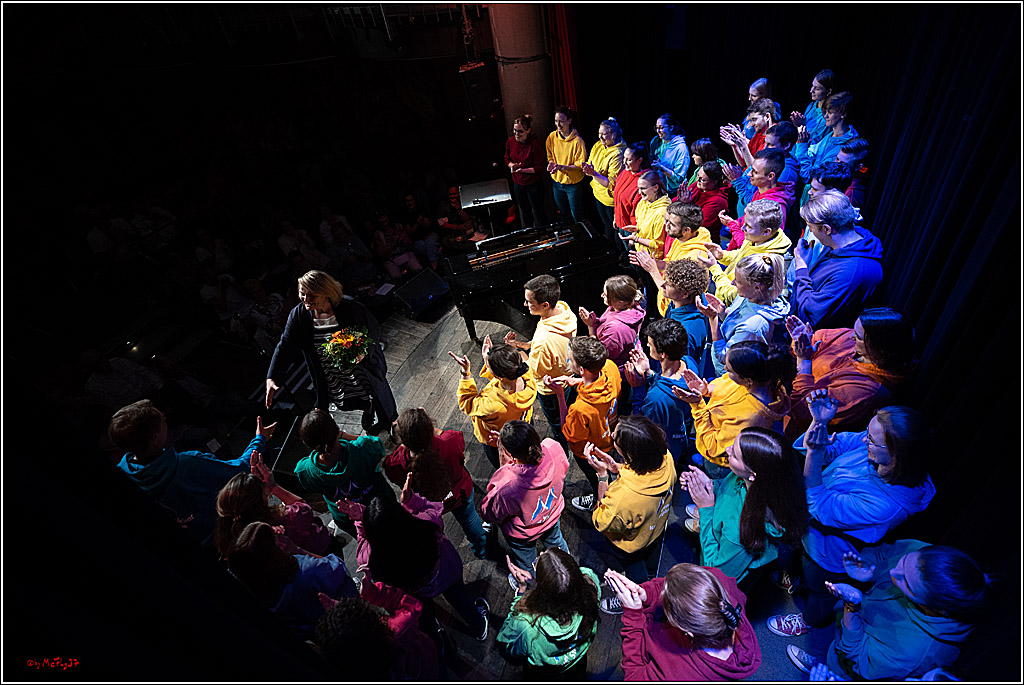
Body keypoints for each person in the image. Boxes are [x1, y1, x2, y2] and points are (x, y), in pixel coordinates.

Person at [767, 398, 936, 637]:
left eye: (872, 440)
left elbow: (819, 504)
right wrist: (819, 424)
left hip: (829, 553)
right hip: (812, 533)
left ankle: (810, 620)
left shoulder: (886, 505)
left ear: (897, 455)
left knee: (820, 590)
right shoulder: (875, 445)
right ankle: (799, 581)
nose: (865, 438)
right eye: (868, 431)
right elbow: (839, 445)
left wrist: (815, 454)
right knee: (803, 563)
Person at [785, 542, 990, 680]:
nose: (893, 572)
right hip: (849, 625)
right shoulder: (923, 555)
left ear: (935, 609)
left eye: (907, 584)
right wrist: (869, 569)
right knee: (828, 642)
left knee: (835, 665)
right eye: (905, 562)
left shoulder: (914, 651)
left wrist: (852, 607)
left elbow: (855, 654)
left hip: (853, 660)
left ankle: (823, 667)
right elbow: (884, 552)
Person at [109, 400, 274, 547]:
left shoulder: (122, 477)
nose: (166, 420)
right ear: (155, 437)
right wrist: (260, 439)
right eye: (163, 420)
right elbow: (240, 469)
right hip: (231, 536)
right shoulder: (186, 464)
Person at [345, 482, 489, 641]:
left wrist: (361, 521)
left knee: (425, 618)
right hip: (448, 572)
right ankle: (479, 627)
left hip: (417, 590)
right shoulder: (426, 522)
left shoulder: (373, 558)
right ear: (400, 513)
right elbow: (434, 507)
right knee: (461, 598)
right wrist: (411, 501)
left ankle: (438, 639)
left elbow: (363, 545)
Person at [266, 270, 398, 434]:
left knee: (377, 392)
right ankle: (368, 409)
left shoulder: (349, 306)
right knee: (350, 397)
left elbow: (373, 329)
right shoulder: (299, 315)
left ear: (326, 293)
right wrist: (272, 376)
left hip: (361, 365)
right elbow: (285, 345)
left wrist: (364, 352)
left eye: (312, 296)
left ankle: (391, 423)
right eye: (302, 294)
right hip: (332, 371)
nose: (306, 300)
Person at [678, 427, 808, 588]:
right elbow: (729, 488)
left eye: (734, 454)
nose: (727, 449)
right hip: (722, 526)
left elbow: (715, 572)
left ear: (753, 474)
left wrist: (705, 508)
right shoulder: (762, 481)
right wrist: (710, 486)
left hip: (726, 579)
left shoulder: (740, 532)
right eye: (733, 444)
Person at [609, 563, 762, 680]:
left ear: (685, 630)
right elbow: (674, 586)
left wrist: (633, 616)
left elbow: (635, 676)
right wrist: (646, 594)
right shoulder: (719, 583)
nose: (661, 593)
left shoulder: (678, 674)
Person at [783, 307, 918, 441]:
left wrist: (804, 361)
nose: (852, 335)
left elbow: (802, 410)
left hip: (792, 431)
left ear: (881, 349)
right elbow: (812, 342)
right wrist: (801, 340)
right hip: (784, 389)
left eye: (859, 337)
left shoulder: (868, 392)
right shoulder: (851, 340)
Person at [675, 341, 794, 482]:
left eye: (729, 370)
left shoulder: (751, 418)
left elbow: (714, 448)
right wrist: (706, 390)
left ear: (748, 380)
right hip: (712, 434)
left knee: (714, 479)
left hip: (720, 462)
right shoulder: (760, 380)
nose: (724, 368)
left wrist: (697, 404)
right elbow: (724, 382)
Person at [383, 407, 488, 559]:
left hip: (428, 505)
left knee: (436, 530)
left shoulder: (395, 464)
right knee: (470, 519)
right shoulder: (450, 441)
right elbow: (458, 442)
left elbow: (393, 475)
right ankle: (481, 551)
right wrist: (431, 429)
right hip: (459, 493)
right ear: (430, 428)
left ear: (402, 440)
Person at [586, 415, 676, 590]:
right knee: (650, 556)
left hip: (630, 544)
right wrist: (616, 467)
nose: (611, 436)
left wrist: (603, 477)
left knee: (634, 566)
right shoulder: (666, 458)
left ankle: (639, 591)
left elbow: (601, 520)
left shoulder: (623, 499)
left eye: (615, 439)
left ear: (629, 454)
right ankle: (652, 575)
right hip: (654, 529)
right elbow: (641, 473)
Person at [226, 521, 357, 638]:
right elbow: (337, 566)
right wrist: (296, 549)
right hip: (347, 614)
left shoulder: (249, 590)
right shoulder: (307, 570)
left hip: (318, 632)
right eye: (276, 540)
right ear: (274, 551)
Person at [480, 421, 570, 585]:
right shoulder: (553, 446)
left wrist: (503, 458)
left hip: (524, 533)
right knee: (557, 543)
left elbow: (489, 512)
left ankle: (530, 584)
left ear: (510, 454)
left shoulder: (507, 484)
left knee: (526, 560)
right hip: (552, 515)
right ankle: (568, 571)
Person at [498, 547, 600, 678]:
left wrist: (522, 591)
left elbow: (508, 644)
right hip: (577, 660)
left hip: (544, 673)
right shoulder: (591, 583)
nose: (540, 553)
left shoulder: (526, 626)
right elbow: (564, 590)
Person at [544, 336, 621, 508]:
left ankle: (598, 501)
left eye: (569, 359)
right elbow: (597, 378)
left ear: (580, 368)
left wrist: (559, 395)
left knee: (597, 477)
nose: (567, 361)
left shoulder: (580, 408)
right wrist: (579, 381)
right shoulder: (609, 366)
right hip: (609, 435)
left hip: (589, 450)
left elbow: (569, 432)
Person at [504, 274, 578, 454]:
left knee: (558, 424)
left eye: (530, 302)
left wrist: (519, 353)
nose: (525, 305)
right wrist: (522, 344)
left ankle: (564, 451)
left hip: (551, 390)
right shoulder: (563, 309)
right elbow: (540, 340)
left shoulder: (544, 343)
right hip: (567, 376)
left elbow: (535, 372)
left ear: (545, 305)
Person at [314, 578, 441, 681]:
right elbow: (410, 606)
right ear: (367, 618)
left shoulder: (357, 674)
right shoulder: (399, 630)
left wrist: (337, 620)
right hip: (428, 664)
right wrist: (373, 592)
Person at [791, 189, 883, 330]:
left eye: (811, 227)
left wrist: (801, 267)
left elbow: (811, 319)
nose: (812, 233)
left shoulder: (850, 274)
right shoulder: (841, 243)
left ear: (827, 229)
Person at [214, 450, 330, 559]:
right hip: (321, 551)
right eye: (265, 495)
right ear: (260, 504)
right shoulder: (289, 520)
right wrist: (273, 486)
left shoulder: (239, 542)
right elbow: (302, 506)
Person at [294, 408, 391, 537]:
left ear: (306, 443)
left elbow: (309, 485)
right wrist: (343, 435)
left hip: (348, 518)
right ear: (337, 429)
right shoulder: (362, 448)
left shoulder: (305, 470)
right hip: (381, 504)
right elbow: (378, 445)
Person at [696, 253, 789, 377]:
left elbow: (725, 356)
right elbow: (736, 321)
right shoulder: (749, 296)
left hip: (731, 376)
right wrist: (723, 313)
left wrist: (713, 320)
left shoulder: (754, 326)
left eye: (739, 281)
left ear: (757, 287)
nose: (733, 283)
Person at [452, 335, 537, 467]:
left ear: (499, 376)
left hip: (500, 439)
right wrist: (489, 359)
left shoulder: (492, 404)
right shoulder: (526, 375)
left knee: (504, 467)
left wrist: (466, 374)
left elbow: (468, 404)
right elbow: (505, 377)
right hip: (523, 424)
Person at [624, 318, 696, 462]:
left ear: (663, 354)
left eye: (650, 345)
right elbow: (668, 383)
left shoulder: (655, 399)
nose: (648, 347)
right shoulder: (689, 364)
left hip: (662, 454)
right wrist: (649, 372)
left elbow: (644, 430)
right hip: (680, 439)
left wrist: (638, 388)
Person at [701, 198, 793, 307]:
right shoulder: (756, 239)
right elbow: (741, 254)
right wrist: (722, 255)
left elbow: (734, 295)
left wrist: (714, 268)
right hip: (723, 291)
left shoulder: (764, 264)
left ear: (766, 231)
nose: (743, 228)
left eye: (748, 226)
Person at [578, 275, 646, 416]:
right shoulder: (626, 307)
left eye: (606, 294)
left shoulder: (616, 330)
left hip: (617, 376)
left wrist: (591, 327)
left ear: (619, 301)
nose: (602, 295)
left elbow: (600, 356)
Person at [630, 201, 712, 317]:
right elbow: (670, 264)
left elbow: (675, 292)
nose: (665, 225)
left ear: (686, 230)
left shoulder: (694, 258)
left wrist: (653, 270)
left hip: (677, 310)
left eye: (671, 224)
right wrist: (654, 263)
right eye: (666, 220)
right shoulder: (689, 236)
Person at [718, 149, 796, 251]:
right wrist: (737, 222)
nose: (749, 174)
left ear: (770, 176)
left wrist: (733, 226)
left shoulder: (775, 206)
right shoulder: (761, 192)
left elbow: (757, 248)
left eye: (755, 172)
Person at [793, 91, 859, 206]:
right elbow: (810, 155)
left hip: (819, 201)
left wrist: (802, 145)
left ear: (842, 114)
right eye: (825, 112)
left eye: (830, 112)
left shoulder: (843, 147)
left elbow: (809, 175)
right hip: (809, 196)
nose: (825, 116)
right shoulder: (830, 135)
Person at [582, 118, 627, 240]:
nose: (600, 137)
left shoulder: (618, 153)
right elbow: (590, 164)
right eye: (599, 133)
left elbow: (610, 184)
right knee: (606, 225)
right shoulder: (599, 145)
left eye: (604, 134)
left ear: (613, 134)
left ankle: (619, 253)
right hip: (598, 194)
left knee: (614, 229)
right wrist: (588, 170)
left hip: (609, 200)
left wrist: (593, 173)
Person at [505, 114, 549, 229]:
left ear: (528, 130)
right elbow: (507, 158)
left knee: (539, 211)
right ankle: (529, 235)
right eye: (515, 130)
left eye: (520, 131)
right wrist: (511, 165)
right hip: (518, 183)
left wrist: (523, 170)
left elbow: (540, 167)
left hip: (533, 183)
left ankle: (544, 235)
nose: (516, 134)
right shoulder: (511, 142)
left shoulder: (534, 145)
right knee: (525, 212)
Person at [546, 105, 587, 224]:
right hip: (557, 182)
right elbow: (550, 156)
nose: (558, 125)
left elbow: (580, 165)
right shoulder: (552, 137)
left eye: (561, 121)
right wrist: (552, 164)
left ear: (569, 121)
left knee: (576, 216)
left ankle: (580, 239)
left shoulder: (577, 141)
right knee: (563, 215)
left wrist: (562, 167)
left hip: (572, 184)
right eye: (556, 121)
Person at [622, 169, 670, 263]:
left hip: (653, 259)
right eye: (638, 188)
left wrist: (635, 239)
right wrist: (636, 230)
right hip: (641, 252)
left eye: (643, 188)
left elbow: (658, 245)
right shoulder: (643, 202)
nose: (640, 192)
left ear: (656, 187)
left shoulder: (662, 213)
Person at [612, 142, 651, 255]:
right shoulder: (625, 172)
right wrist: (616, 216)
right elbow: (618, 197)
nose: (624, 162)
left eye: (628, 159)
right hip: (621, 225)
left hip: (631, 231)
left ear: (639, 160)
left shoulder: (644, 182)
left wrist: (633, 238)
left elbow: (637, 214)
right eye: (624, 158)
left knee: (634, 259)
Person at [677, 161, 730, 242]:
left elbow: (698, 226)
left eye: (702, 179)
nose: (697, 180)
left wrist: (685, 205)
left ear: (714, 182)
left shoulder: (718, 201)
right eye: (698, 175)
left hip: (702, 242)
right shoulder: (699, 186)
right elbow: (677, 201)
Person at [371, 210, 423, 281]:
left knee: (417, 268)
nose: (383, 220)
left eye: (384, 217)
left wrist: (403, 239)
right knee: (396, 276)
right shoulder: (378, 234)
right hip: (391, 259)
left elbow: (409, 242)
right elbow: (381, 254)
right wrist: (393, 243)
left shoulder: (398, 227)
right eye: (380, 218)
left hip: (405, 254)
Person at [790, 69, 835, 148]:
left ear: (828, 91)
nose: (811, 91)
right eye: (812, 86)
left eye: (817, 89)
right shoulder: (812, 105)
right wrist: (798, 124)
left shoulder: (827, 116)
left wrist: (802, 125)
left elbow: (813, 142)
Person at [648, 113, 690, 196]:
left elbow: (679, 178)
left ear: (671, 127)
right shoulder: (656, 141)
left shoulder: (681, 148)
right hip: (658, 189)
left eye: (661, 128)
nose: (658, 131)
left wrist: (661, 168)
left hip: (673, 192)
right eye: (656, 128)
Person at [436, 186, 477, 252]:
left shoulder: (465, 201)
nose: (452, 196)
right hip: (451, 234)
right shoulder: (443, 205)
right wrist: (457, 227)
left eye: (454, 194)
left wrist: (458, 209)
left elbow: (467, 221)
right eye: (450, 194)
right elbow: (442, 224)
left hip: (467, 233)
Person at [836, 137, 871, 208]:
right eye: (837, 159)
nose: (836, 165)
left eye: (843, 163)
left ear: (858, 167)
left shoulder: (850, 196)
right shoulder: (840, 177)